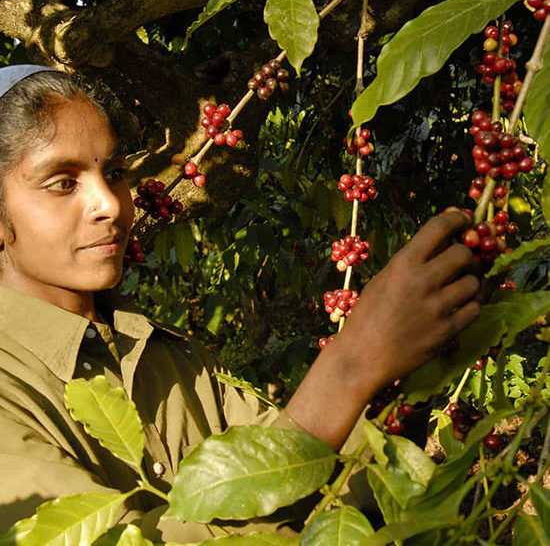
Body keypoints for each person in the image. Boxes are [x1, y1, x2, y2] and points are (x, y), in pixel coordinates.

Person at [0, 65, 481, 541]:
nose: (109, 202)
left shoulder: (169, 356)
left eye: (115, 172)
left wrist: (408, 364)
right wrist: (350, 365)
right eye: (63, 182)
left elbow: (310, 474)